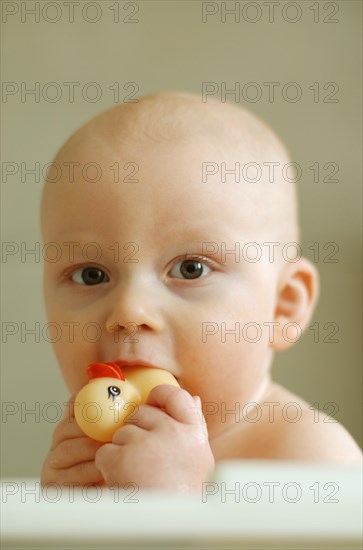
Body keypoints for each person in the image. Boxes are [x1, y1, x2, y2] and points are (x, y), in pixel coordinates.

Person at [40, 91, 362, 492]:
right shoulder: (95, 452)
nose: (129, 310)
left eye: (190, 269)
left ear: (283, 306)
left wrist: (185, 507)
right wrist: (60, 514)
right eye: (91, 274)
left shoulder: (311, 457)